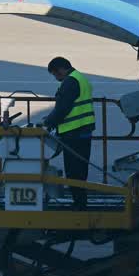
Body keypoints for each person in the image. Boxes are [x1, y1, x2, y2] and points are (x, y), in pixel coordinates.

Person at [42, 57, 94, 211]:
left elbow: (63, 109)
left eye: (55, 75)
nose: (56, 79)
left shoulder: (70, 82)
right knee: (80, 171)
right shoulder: (80, 78)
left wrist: (48, 122)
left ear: (61, 70)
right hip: (83, 132)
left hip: (74, 134)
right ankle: (80, 203)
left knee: (74, 172)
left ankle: (79, 205)